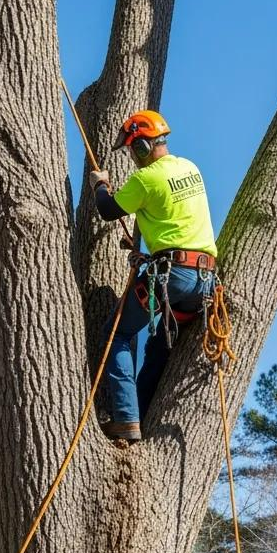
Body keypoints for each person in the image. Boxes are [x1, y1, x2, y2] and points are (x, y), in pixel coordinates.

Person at [89, 109, 217, 442]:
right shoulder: (190, 168)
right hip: (203, 282)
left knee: (116, 333)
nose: (132, 157)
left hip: (172, 276)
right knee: (159, 347)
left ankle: (126, 419)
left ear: (143, 146)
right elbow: (169, 214)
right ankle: (143, 414)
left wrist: (101, 185)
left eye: (132, 150)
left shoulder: (145, 179)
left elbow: (107, 210)